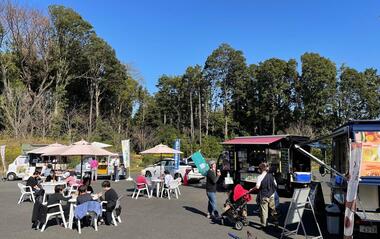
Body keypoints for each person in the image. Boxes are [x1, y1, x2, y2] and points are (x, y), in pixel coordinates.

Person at [253, 162, 278, 230]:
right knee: (273, 210)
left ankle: (264, 225)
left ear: (261, 169)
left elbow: (257, 187)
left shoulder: (259, 177)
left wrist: (252, 188)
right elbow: (275, 184)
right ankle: (276, 223)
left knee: (264, 211)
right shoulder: (271, 175)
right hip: (272, 195)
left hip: (264, 196)